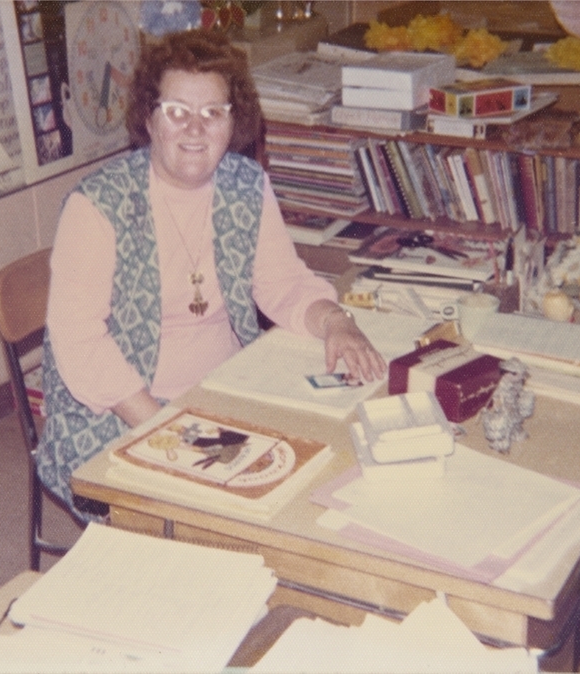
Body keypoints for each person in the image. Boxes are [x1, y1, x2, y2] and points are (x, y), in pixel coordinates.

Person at [38, 30, 386, 521]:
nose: (195, 130)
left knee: (338, 455)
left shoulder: (245, 185)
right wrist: (163, 427)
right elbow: (79, 342)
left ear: (233, 120)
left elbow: (281, 282)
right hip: (122, 412)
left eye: (213, 113)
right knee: (228, 513)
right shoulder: (97, 205)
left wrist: (337, 322)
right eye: (178, 111)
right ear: (149, 117)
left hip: (225, 391)